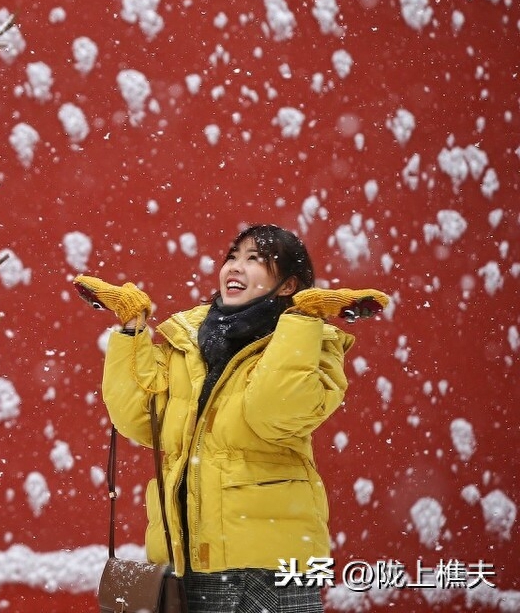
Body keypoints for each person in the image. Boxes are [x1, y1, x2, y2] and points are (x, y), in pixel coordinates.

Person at [73, 224, 390, 613]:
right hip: (185, 557)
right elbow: (140, 420)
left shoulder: (314, 345)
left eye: (254, 260)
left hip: (265, 563)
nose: (236, 267)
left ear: (289, 285)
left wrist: (303, 321)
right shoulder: (187, 340)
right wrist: (131, 328)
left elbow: (272, 414)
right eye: (233, 257)